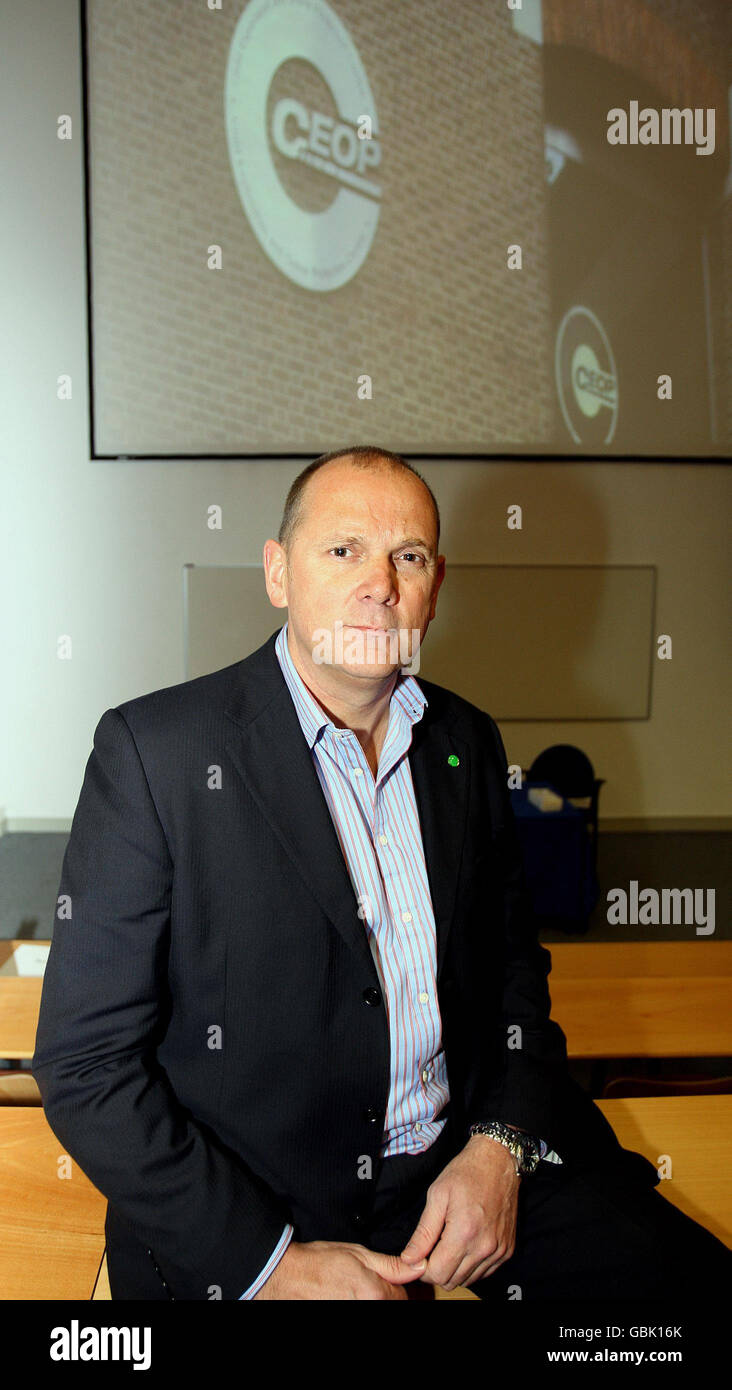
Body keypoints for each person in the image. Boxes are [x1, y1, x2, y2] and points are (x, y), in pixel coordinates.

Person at [33, 447, 732, 1301]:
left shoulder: (467, 743)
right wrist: (273, 1267)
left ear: (436, 585)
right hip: (250, 1200)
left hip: (458, 1155)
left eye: (408, 556)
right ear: (276, 573)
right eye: (343, 550)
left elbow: (514, 982)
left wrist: (500, 1148)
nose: (380, 583)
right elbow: (86, 1067)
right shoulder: (156, 753)